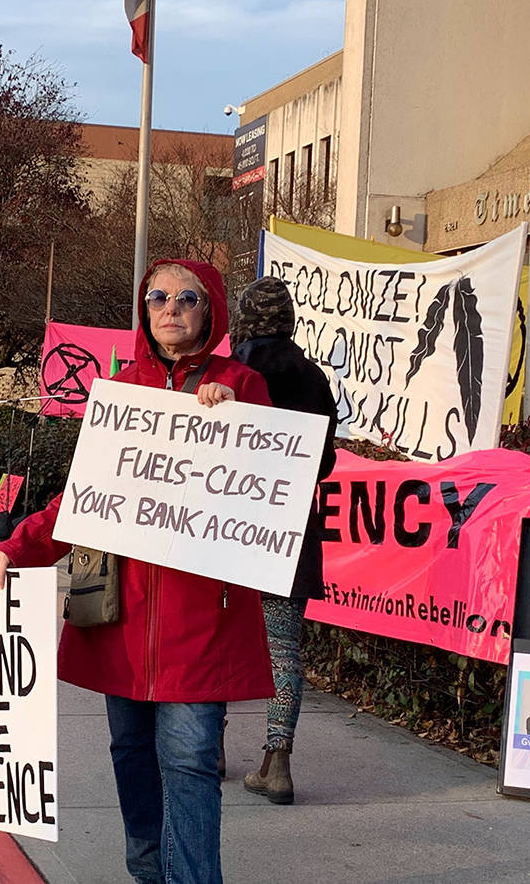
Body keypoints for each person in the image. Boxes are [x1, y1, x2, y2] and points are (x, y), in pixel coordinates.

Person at [0, 259, 274, 884]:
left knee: (192, 759)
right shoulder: (118, 393)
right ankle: (147, 872)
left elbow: (273, 489)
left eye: (186, 298)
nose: (170, 308)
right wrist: (20, 545)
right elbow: (82, 495)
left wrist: (236, 424)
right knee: (132, 753)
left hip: (203, 620)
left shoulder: (243, 385)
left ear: (210, 310)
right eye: (158, 297)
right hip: (122, 613)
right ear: (144, 312)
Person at [228, 276, 338, 806]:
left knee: (217, 635)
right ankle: (277, 760)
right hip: (291, 533)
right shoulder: (314, 378)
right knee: (284, 650)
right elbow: (326, 462)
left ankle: (209, 748)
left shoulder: (228, 374)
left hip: (226, 529)